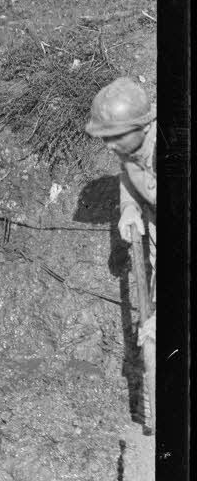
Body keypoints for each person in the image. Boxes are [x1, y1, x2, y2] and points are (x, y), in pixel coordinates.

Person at [84, 77, 156, 418]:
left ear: (142, 125)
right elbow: (128, 177)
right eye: (105, 138)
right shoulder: (132, 150)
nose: (109, 145)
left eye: (114, 136)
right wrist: (130, 208)